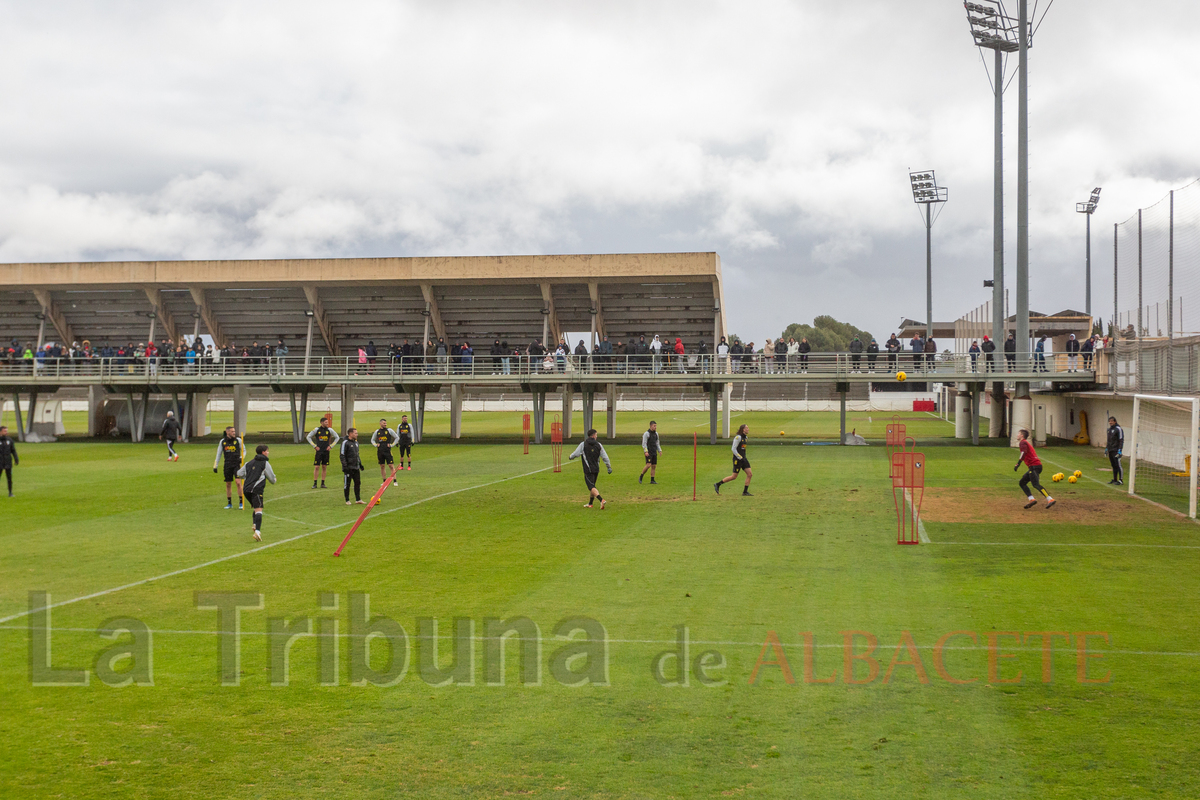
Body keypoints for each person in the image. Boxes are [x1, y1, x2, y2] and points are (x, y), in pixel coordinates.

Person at [237, 444, 276, 541]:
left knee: (255, 507)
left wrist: (249, 477)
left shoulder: (248, 463)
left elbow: (239, 474)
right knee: (259, 509)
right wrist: (274, 480)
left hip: (246, 490)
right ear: (263, 452)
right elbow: (271, 479)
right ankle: (257, 532)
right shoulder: (265, 463)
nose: (268, 452)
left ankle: (255, 524)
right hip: (256, 489)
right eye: (267, 451)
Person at [568, 428, 612, 509]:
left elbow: (576, 453)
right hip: (596, 469)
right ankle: (590, 503)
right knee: (593, 486)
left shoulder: (583, 444)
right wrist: (608, 467)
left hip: (588, 470)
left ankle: (601, 500)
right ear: (593, 435)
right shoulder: (599, 445)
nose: (596, 436)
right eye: (596, 435)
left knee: (591, 487)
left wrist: (571, 457)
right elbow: (605, 457)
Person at [1014, 429, 1055, 509]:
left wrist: (1018, 464)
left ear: (1022, 435)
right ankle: (1031, 499)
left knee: (1036, 484)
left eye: (1018, 434)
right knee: (1022, 482)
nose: (1017, 435)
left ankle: (1050, 499)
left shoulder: (1023, 442)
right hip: (1035, 466)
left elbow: (1023, 453)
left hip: (1034, 466)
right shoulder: (1025, 442)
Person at [213, 426, 246, 510]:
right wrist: (215, 465)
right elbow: (219, 454)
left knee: (238, 482)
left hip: (237, 464)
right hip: (227, 464)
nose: (234, 433)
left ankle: (241, 502)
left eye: (234, 431)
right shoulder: (222, 442)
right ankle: (229, 503)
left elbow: (244, 450)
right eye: (232, 431)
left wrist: (242, 457)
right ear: (227, 432)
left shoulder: (238, 440)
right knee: (228, 484)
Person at [715, 423, 753, 496]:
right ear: (743, 429)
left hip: (743, 459)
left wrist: (743, 457)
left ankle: (745, 492)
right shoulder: (738, 437)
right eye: (747, 428)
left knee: (750, 474)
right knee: (734, 477)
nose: (748, 429)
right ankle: (718, 484)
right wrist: (739, 457)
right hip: (738, 460)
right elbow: (733, 449)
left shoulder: (746, 438)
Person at [307, 416, 340, 488]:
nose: (327, 424)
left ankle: (323, 483)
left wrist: (331, 446)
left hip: (326, 451)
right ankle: (315, 483)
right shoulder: (316, 430)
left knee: (324, 466)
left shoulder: (330, 430)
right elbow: (308, 437)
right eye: (326, 422)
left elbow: (337, 437)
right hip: (319, 451)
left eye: (327, 422)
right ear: (321, 423)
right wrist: (314, 446)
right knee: (316, 467)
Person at [371, 419, 399, 495]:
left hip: (387, 451)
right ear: (380, 423)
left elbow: (397, 437)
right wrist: (376, 445)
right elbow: (372, 440)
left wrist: (392, 445)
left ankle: (395, 480)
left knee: (391, 465)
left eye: (386, 423)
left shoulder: (389, 430)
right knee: (382, 466)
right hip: (380, 451)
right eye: (384, 423)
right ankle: (384, 481)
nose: (385, 424)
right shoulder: (377, 431)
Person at [340, 428, 366, 505]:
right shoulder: (345, 443)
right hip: (349, 467)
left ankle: (358, 499)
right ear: (350, 434)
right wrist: (345, 466)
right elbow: (342, 455)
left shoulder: (356, 443)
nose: (357, 435)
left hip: (356, 467)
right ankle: (347, 500)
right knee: (347, 484)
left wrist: (360, 464)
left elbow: (357, 455)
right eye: (355, 433)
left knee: (357, 483)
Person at [639, 420, 662, 485]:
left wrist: (659, 450)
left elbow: (657, 443)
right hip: (649, 452)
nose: (655, 427)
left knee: (654, 466)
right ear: (651, 426)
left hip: (654, 451)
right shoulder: (646, 434)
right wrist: (645, 451)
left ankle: (652, 480)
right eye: (654, 426)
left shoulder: (656, 434)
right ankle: (641, 476)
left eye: (656, 426)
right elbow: (644, 443)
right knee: (648, 465)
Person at [1105, 416, 1125, 486]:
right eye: (1109, 421)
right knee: (1113, 465)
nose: (1110, 422)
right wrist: (1107, 448)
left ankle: (1121, 480)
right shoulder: (1109, 430)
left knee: (1118, 465)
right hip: (1111, 449)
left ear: (1115, 421)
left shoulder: (1118, 429)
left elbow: (1121, 440)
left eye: (1112, 421)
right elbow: (1109, 440)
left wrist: (1119, 450)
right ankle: (1115, 479)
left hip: (1116, 450)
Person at [0, 425, 17, 497]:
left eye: (6, 431)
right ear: (0, 432)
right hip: (0, 461)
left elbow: (13, 450)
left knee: (9, 478)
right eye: (4, 431)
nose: (6, 432)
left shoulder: (9, 440)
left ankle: (10, 492)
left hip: (7, 461)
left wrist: (16, 458)